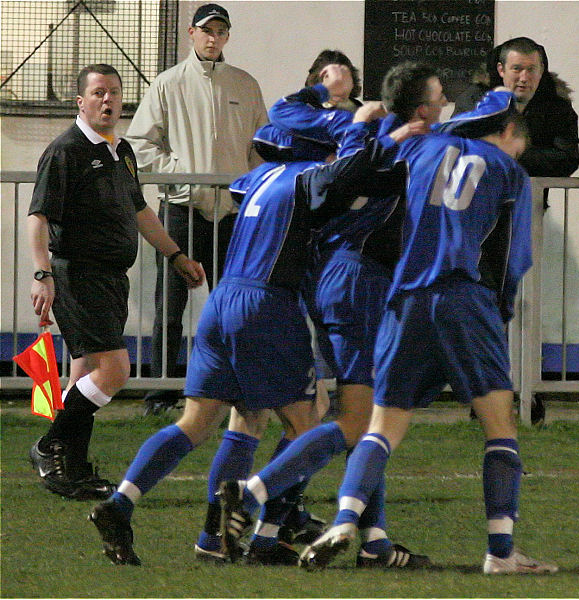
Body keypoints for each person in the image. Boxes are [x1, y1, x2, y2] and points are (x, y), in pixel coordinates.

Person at [87, 63, 398, 566]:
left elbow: (279, 139)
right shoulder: (309, 178)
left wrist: (319, 97)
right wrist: (360, 125)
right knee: (307, 423)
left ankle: (128, 506)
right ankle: (266, 530)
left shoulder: (253, 179)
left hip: (222, 301)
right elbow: (351, 170)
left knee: (216, 419)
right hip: (266, 305)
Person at [285, 87, 560, 575]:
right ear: (510, 132)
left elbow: (370, 169)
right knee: (499, 425)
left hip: (405, 297)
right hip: (464, 297)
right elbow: (510, 260)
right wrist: (499, 314)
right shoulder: (509, 173)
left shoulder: (421, 147)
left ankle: (346, 520)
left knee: (382, 426)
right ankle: (501, 554)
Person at [217, 62, 444, 569]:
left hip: (345, 278)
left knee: (363, 417)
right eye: (439, 97)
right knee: (358, 418)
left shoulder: (368, 135)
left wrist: (355, 114)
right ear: (421, 107)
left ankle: (358, 539)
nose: (446, 105)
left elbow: (287, 116)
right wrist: (363, 118)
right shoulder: (392, 144)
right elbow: (291, 119)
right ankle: (257, 496)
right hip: (357, 280)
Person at [27, 64, 205, 502]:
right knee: (116, 369)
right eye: (99, 93)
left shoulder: (121, 150)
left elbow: (140, 211)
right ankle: (50, 445)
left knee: (86, 371)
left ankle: (72, 467)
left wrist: (176, 254)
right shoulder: (64, 150)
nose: (108, 101)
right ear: (80, 102)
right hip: (78, 275)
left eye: (115, 93)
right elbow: (39, 216)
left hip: (109, 278)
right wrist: (42, 273)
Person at [125, 3, 268, 415]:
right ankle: (161, 392)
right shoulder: (168, 84)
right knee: (169, 305)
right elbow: (140, 144)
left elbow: (259, 147)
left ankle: (231, 386)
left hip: (233, 214)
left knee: (234, 306)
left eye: (220, 31)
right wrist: (182, 172)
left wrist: (250, 187)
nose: (213, 38)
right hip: (182, 209)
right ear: (191, 33)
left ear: (227, 37)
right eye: (207, 30)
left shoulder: (245, 84)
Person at [455, 36, 579, 423]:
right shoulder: (474, 100)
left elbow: (567, 159)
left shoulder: (557, 108)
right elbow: (460, 142)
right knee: (480, 301)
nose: (524, 77)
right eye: (517, 69)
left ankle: (526, 390)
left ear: (543, 72)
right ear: (500, 70)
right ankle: (484, 392)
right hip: (474, 216)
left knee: (525, 303)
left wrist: (506, 154)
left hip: (526, 215)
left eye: (532, 70)